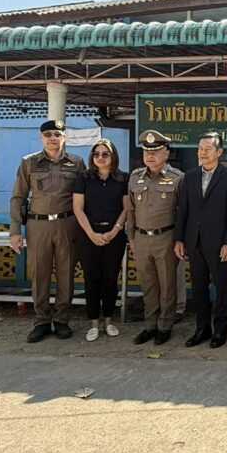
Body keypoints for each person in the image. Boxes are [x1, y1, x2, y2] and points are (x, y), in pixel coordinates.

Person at [9, 119, 86, 342]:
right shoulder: (29, 162)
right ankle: (41, 321)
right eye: (48, 134)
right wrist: (15, 231)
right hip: (38, 225)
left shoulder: (76, 163)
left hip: (67, 224)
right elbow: (18, 197)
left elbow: (84, 197)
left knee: (66, 274)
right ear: (41, 137)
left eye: (57, 134)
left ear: (64, 137)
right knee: (39, 274)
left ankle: (62, 320)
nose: (53, 138)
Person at [174, 131, 227, 348]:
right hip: (194, 241)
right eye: (200, 149)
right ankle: (202, 329)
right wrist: (179, 239)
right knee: (199, 288)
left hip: (218, 243)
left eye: (208, 149)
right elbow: (183, 210)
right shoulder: (190, 176)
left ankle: (220, 331)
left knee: (222, 288)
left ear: (219, 152)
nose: (203, 152)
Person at [126, 130, 184, 345]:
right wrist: (131, 238)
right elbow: (131, 210)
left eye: (156, 151)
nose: (150, 156)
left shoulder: (177, 178)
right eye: (146, 152)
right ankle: (150, 325)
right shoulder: (135, 177)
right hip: (141, 238)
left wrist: (180, 240)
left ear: (166, 153)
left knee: (167, 284)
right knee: (148, 284)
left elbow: (183, 213)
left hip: (166, 237)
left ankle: (165, 325)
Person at [72, 139, 128, 342]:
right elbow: (77, 208)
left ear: (113, 156)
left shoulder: (123, 179)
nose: (100, 157)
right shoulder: (83, 178)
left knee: (110, 279)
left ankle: (109, 321)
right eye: (96, 154)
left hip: (115, 235)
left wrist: (115, 230)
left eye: (105, 154)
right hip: (88, 235)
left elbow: (126, 208)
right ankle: (94, 323)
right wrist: (91, 233)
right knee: (92, 279)